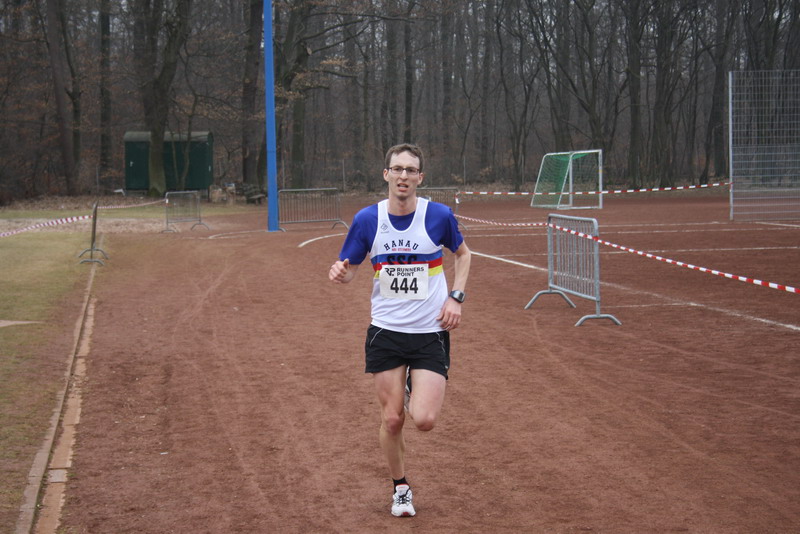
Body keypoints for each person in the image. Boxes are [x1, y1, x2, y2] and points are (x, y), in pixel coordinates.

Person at [328, 143, 471, 517]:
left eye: (410, 170)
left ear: (420, 177)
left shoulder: (438, 215)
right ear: (386, 174)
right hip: (386, 332)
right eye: (397, 169)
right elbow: (350, 269)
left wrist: (455, 297)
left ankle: (413, 387)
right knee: (392, 419)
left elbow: (463, 254)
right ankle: (401, 488)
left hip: (429, 331)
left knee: (424, 420)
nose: (403, 176)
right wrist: (341, 273)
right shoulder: (367, 220)